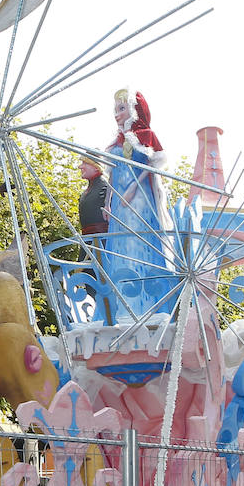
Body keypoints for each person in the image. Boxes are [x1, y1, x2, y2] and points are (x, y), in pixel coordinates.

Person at [101, 89, 175, 320]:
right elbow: (111, 174)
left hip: (140, 198)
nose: (117, 114)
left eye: (122, 108)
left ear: (134, 109)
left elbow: (152, 166)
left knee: (139, 243)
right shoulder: (116, 142)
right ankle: (124, 306)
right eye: (115, 109)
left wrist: (134, 187)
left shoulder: (145, 134)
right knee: (121, 246)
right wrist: (108, 200)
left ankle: (147, 306)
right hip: (119, 201)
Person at [77, 157, 109, 236]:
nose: (80, 167)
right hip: (87, 242)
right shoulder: (85, 193)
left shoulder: (106, 190)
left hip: (102, 242)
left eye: (85, 163)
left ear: (96, 167)